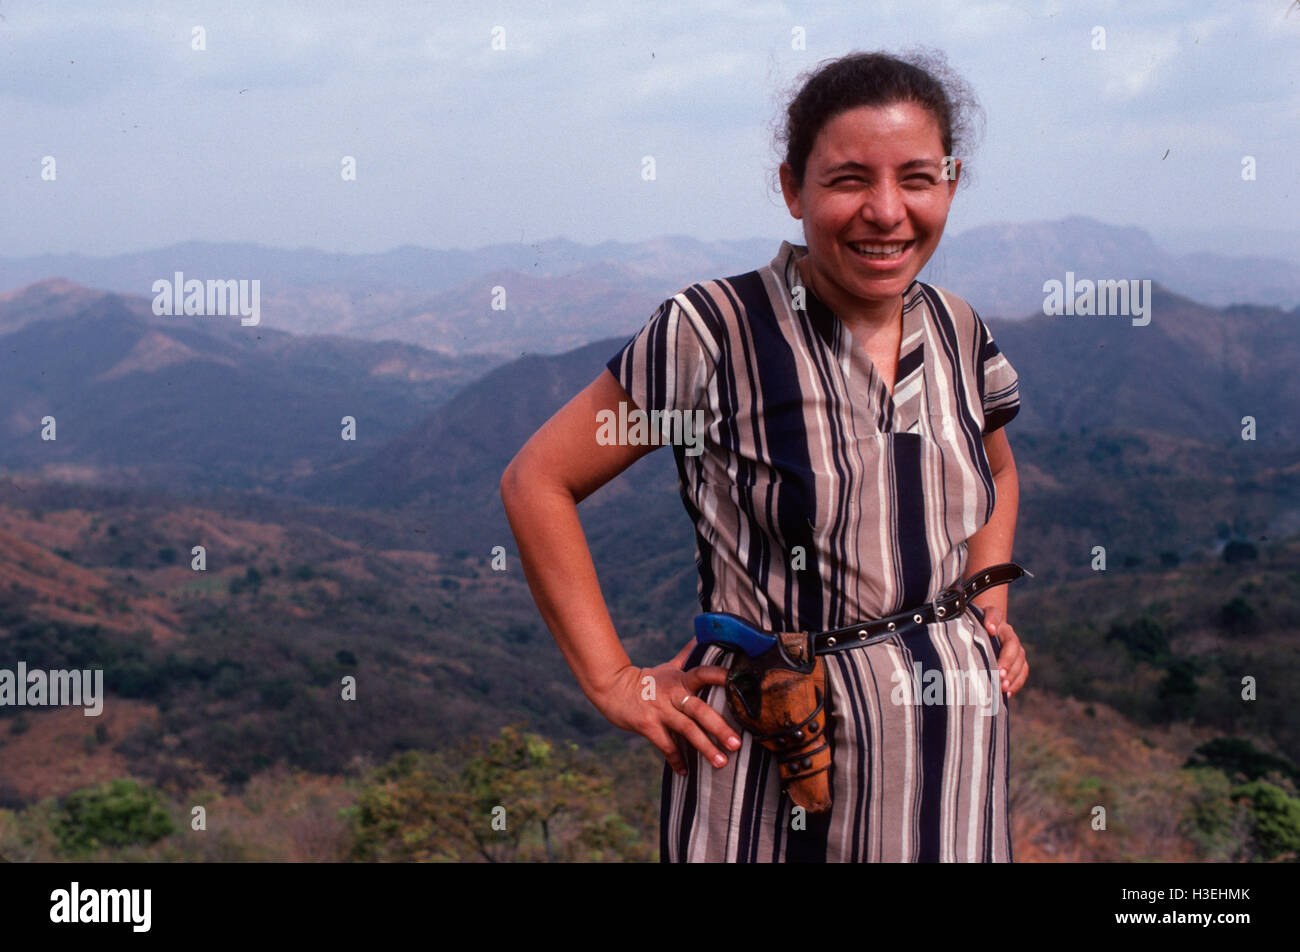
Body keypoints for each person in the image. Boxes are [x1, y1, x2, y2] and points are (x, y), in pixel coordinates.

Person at [500, 49, 1027, 862]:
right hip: (768, 741)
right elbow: (540, 480)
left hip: (950, 745)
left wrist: (987, 605)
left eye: (916, 178)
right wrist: (615, 681)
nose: (886, 211)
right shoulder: (716, 331)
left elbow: (995, 467)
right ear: (793, 188)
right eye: (849, 179)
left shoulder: (957, 330)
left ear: (949, 183)